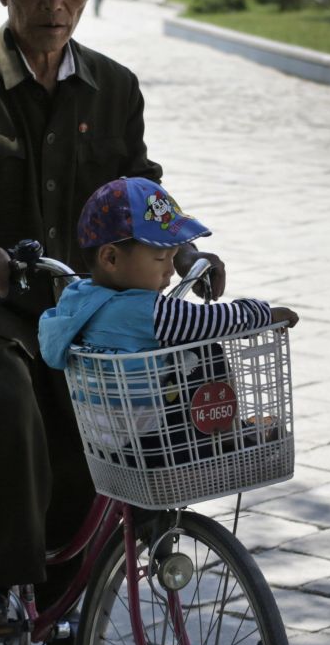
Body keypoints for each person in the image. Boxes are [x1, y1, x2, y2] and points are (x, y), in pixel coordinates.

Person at [0, 0, 224, 637]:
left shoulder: (115, 88)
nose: (51, 1)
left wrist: (184, 252)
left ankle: (58, 574)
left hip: (82, 304)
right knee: (11, 401)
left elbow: (141, 193)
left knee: (109, 408)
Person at [40, 177, 295, 465]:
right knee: (204, 348)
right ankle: (231, 438)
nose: (171, 272)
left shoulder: (77, 298)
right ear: (110, 257)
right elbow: (211, 321)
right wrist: (264, 315)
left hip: (105, 440)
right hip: (155, 443)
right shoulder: (144, 312)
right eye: (161, 258)